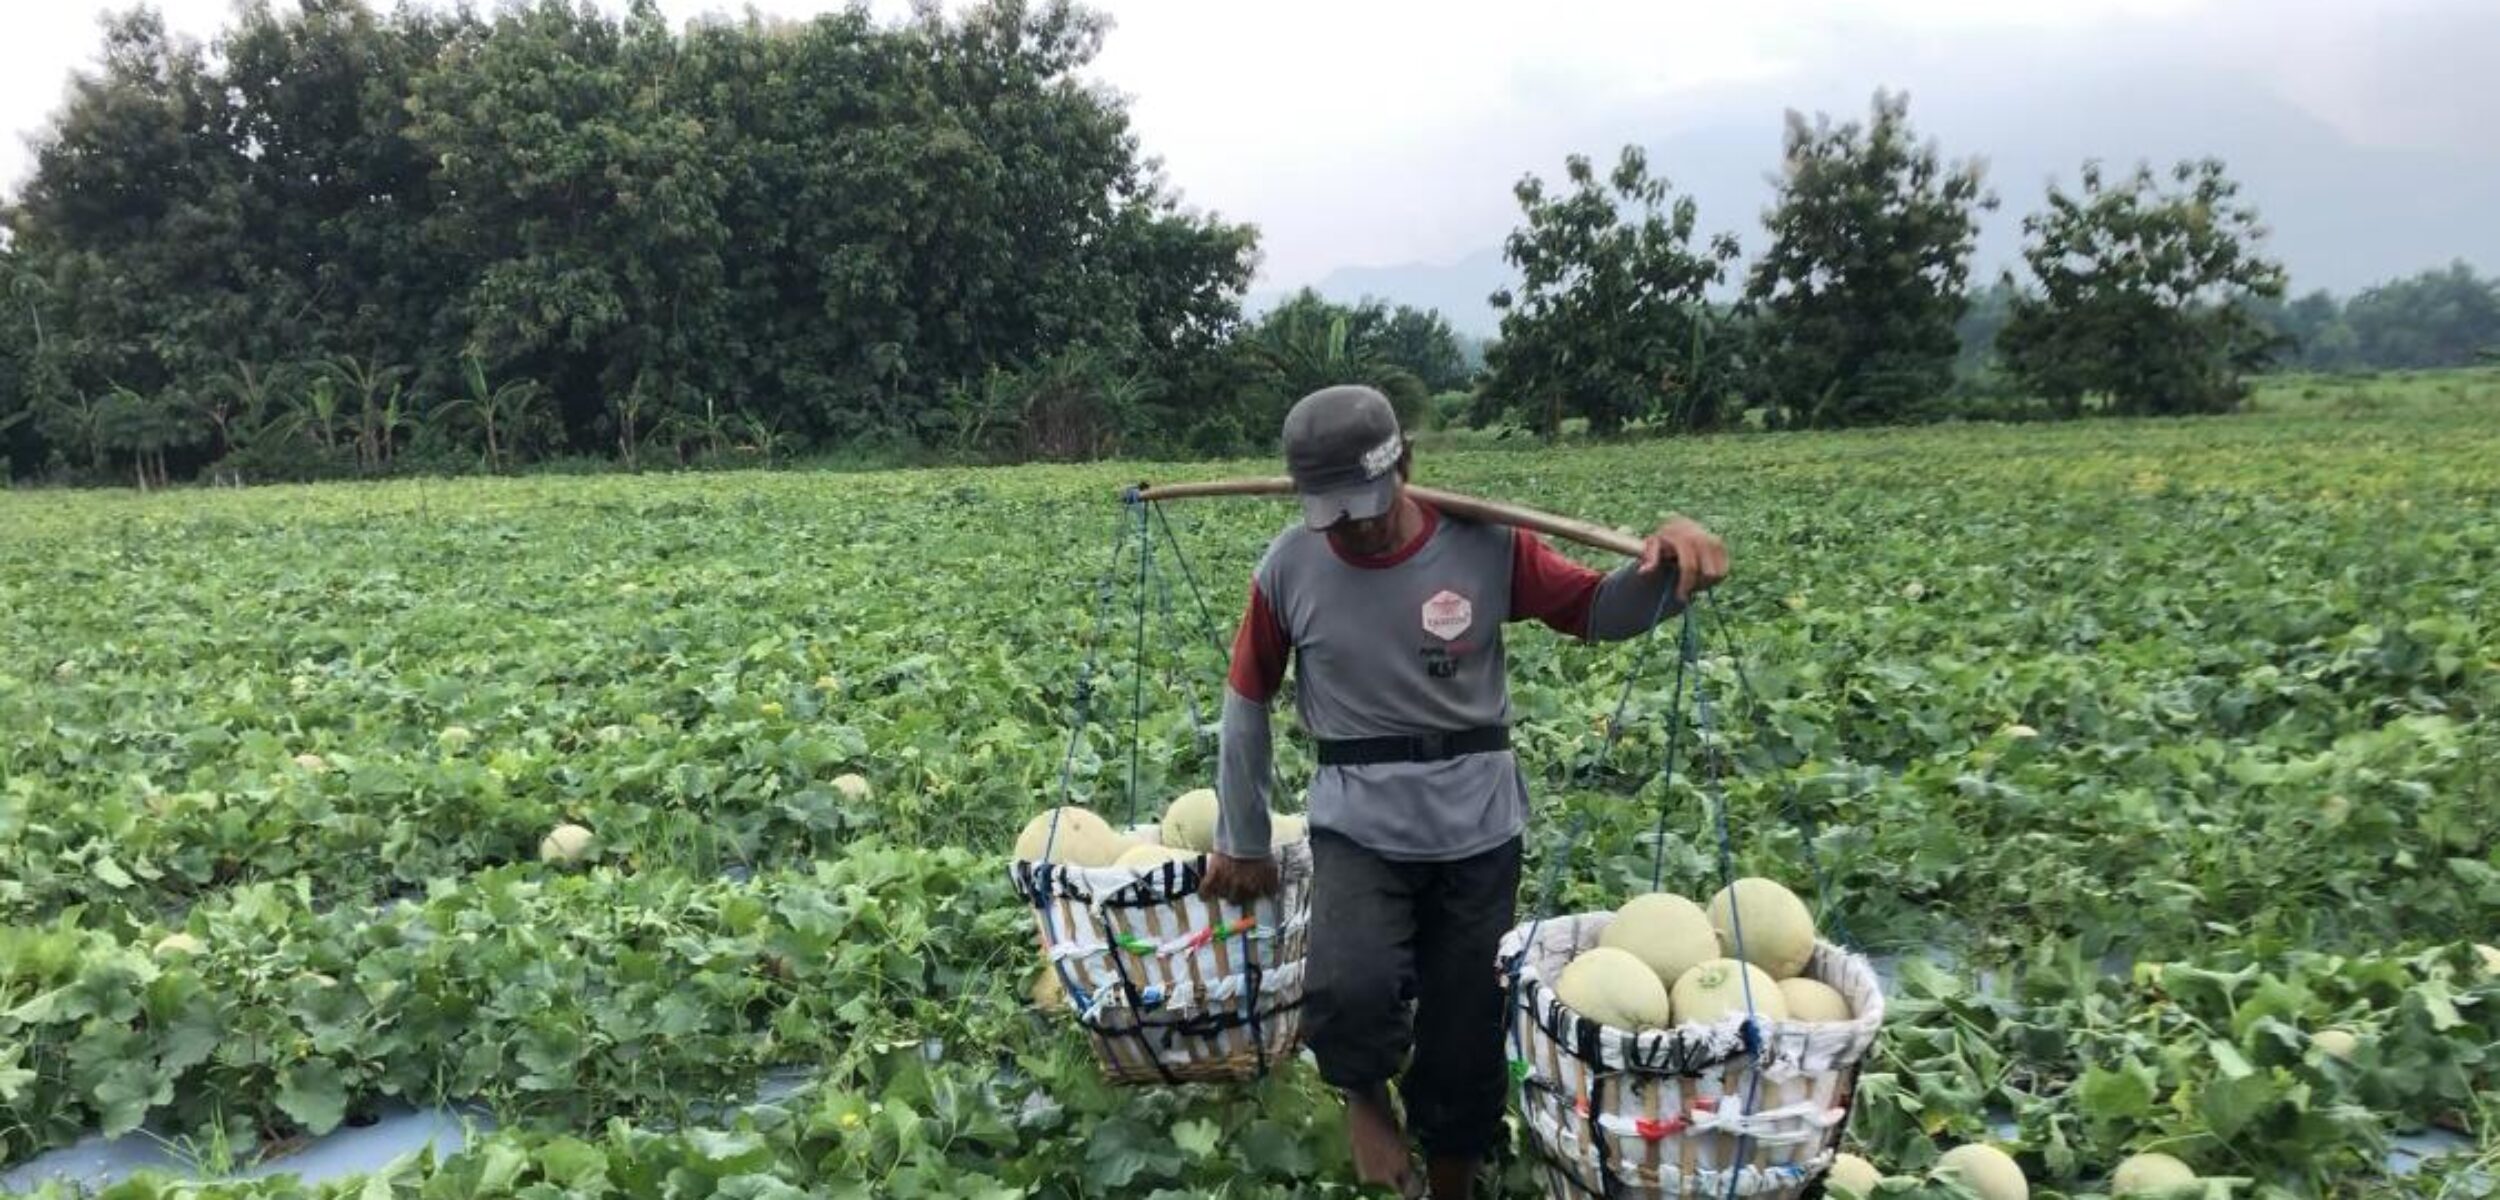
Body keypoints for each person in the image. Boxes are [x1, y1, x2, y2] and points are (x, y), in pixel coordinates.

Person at [1198, 385, 1730, 1198]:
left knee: (1465, 1024)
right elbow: (1246, 699)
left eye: (1368, 505)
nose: (1355, 526)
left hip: (1477, 823)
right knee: (1349, 982)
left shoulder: (1489, 548)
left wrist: (1668, 574)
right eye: (1333, 512)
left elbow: (1594, 608)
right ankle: (1366, 1096)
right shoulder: (1287, 570)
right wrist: (1241, 837)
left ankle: (1451, 1174)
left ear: (1405, 463)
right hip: (1357, 821)